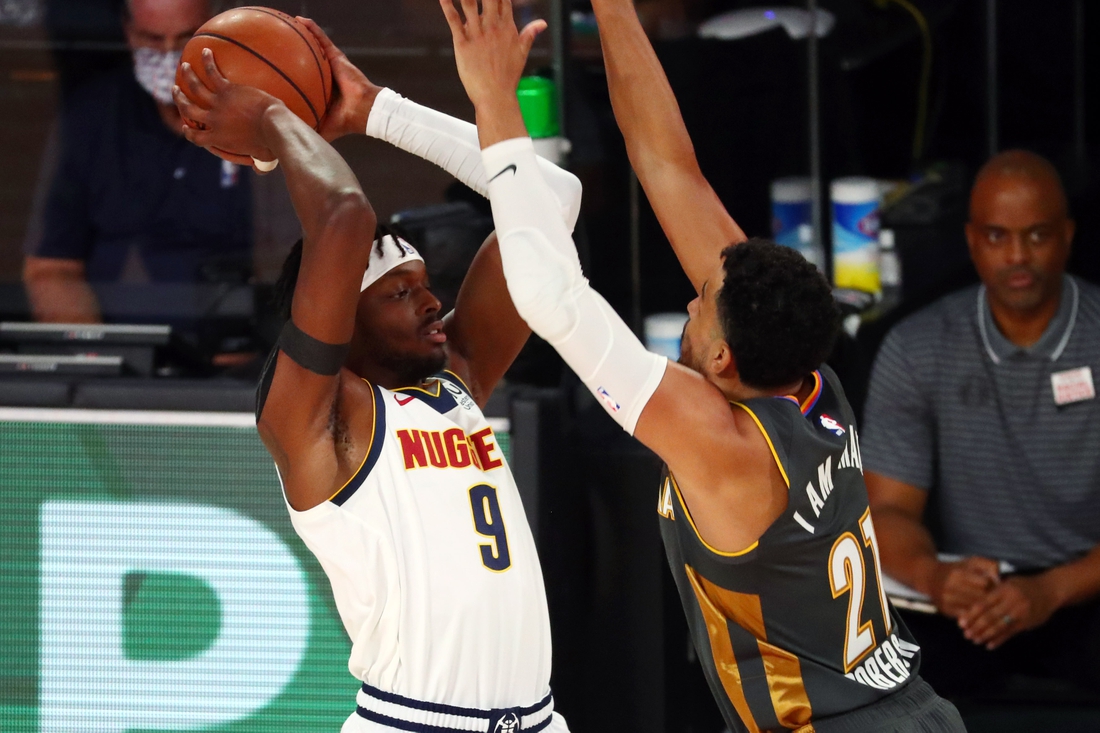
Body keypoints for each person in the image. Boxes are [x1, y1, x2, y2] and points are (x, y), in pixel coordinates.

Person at [438, 0, 965, 729]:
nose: (691, 301)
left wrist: (496, 101)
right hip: (917, 709)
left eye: (701, 304)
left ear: (721, 356)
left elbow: (550, 297)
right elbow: (667, 163)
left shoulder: (720, 438)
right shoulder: (814, 383)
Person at [172, 21, 580, 732]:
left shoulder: (460, 375)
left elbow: (550, 198)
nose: (429, 299)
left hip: (539, 721)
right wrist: (269, 114)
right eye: (398, 291)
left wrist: (375, 112)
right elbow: (342, 217)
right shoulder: (315, 417)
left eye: (424, 283)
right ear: (341, 319)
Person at [862, 150, 1100, 700]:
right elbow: (888, 511)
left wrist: (1050, 590)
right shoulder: (918, 347)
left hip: (1087, 587)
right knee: (876, 665)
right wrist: (936, 579)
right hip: (968, 593)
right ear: (971, 241)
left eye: (1037, 236)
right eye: (997, 237)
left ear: (1066, 236)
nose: (1018, 255)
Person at [22, 0, 252, 324]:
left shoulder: (259, 118)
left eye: (187, 39)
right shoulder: (91, 117)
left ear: (218, 29)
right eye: (153, 40)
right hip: (124, 354)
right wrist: (96, 355)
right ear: (129, 33)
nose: (170, 54)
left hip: (245, 361)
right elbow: (52, 269)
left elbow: (304, 269)